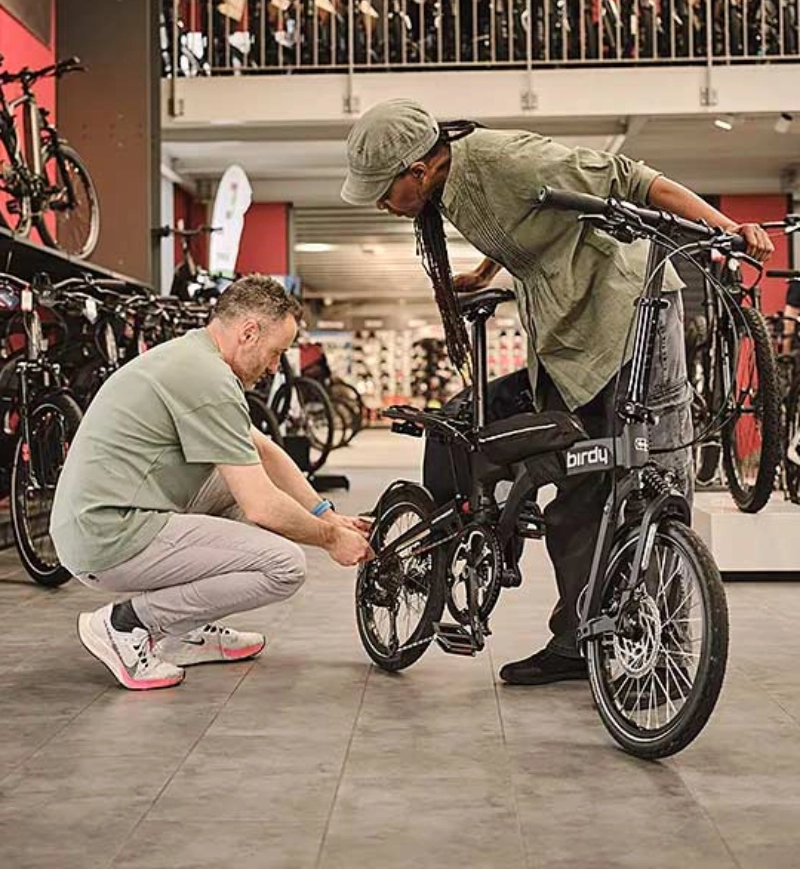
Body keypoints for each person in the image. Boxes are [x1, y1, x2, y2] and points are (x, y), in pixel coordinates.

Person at [341, 99, 773, 686]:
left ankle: (663, 643)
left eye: (382, 190)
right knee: (570, 486)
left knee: (645, 478)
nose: (380, 204)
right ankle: (575, 639)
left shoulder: (506, 159)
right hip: (567, 336)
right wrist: (491, 272)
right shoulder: (449, 186)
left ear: (417, 170)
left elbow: (632, 178)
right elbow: (526, 222)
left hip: (629, 314)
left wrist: (727, 233)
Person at [50, 275, 373, 692]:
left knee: (240, 493)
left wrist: (327, 514)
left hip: (110, 518)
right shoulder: (208, 379)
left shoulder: (194, 357)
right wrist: (330, 540)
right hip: (107, 536)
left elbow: (266, 451)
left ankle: (184, 633)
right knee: (284, 567)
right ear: (249, 332)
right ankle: (126, 624)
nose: (276, 367)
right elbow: (262, 506)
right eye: (276, 353)